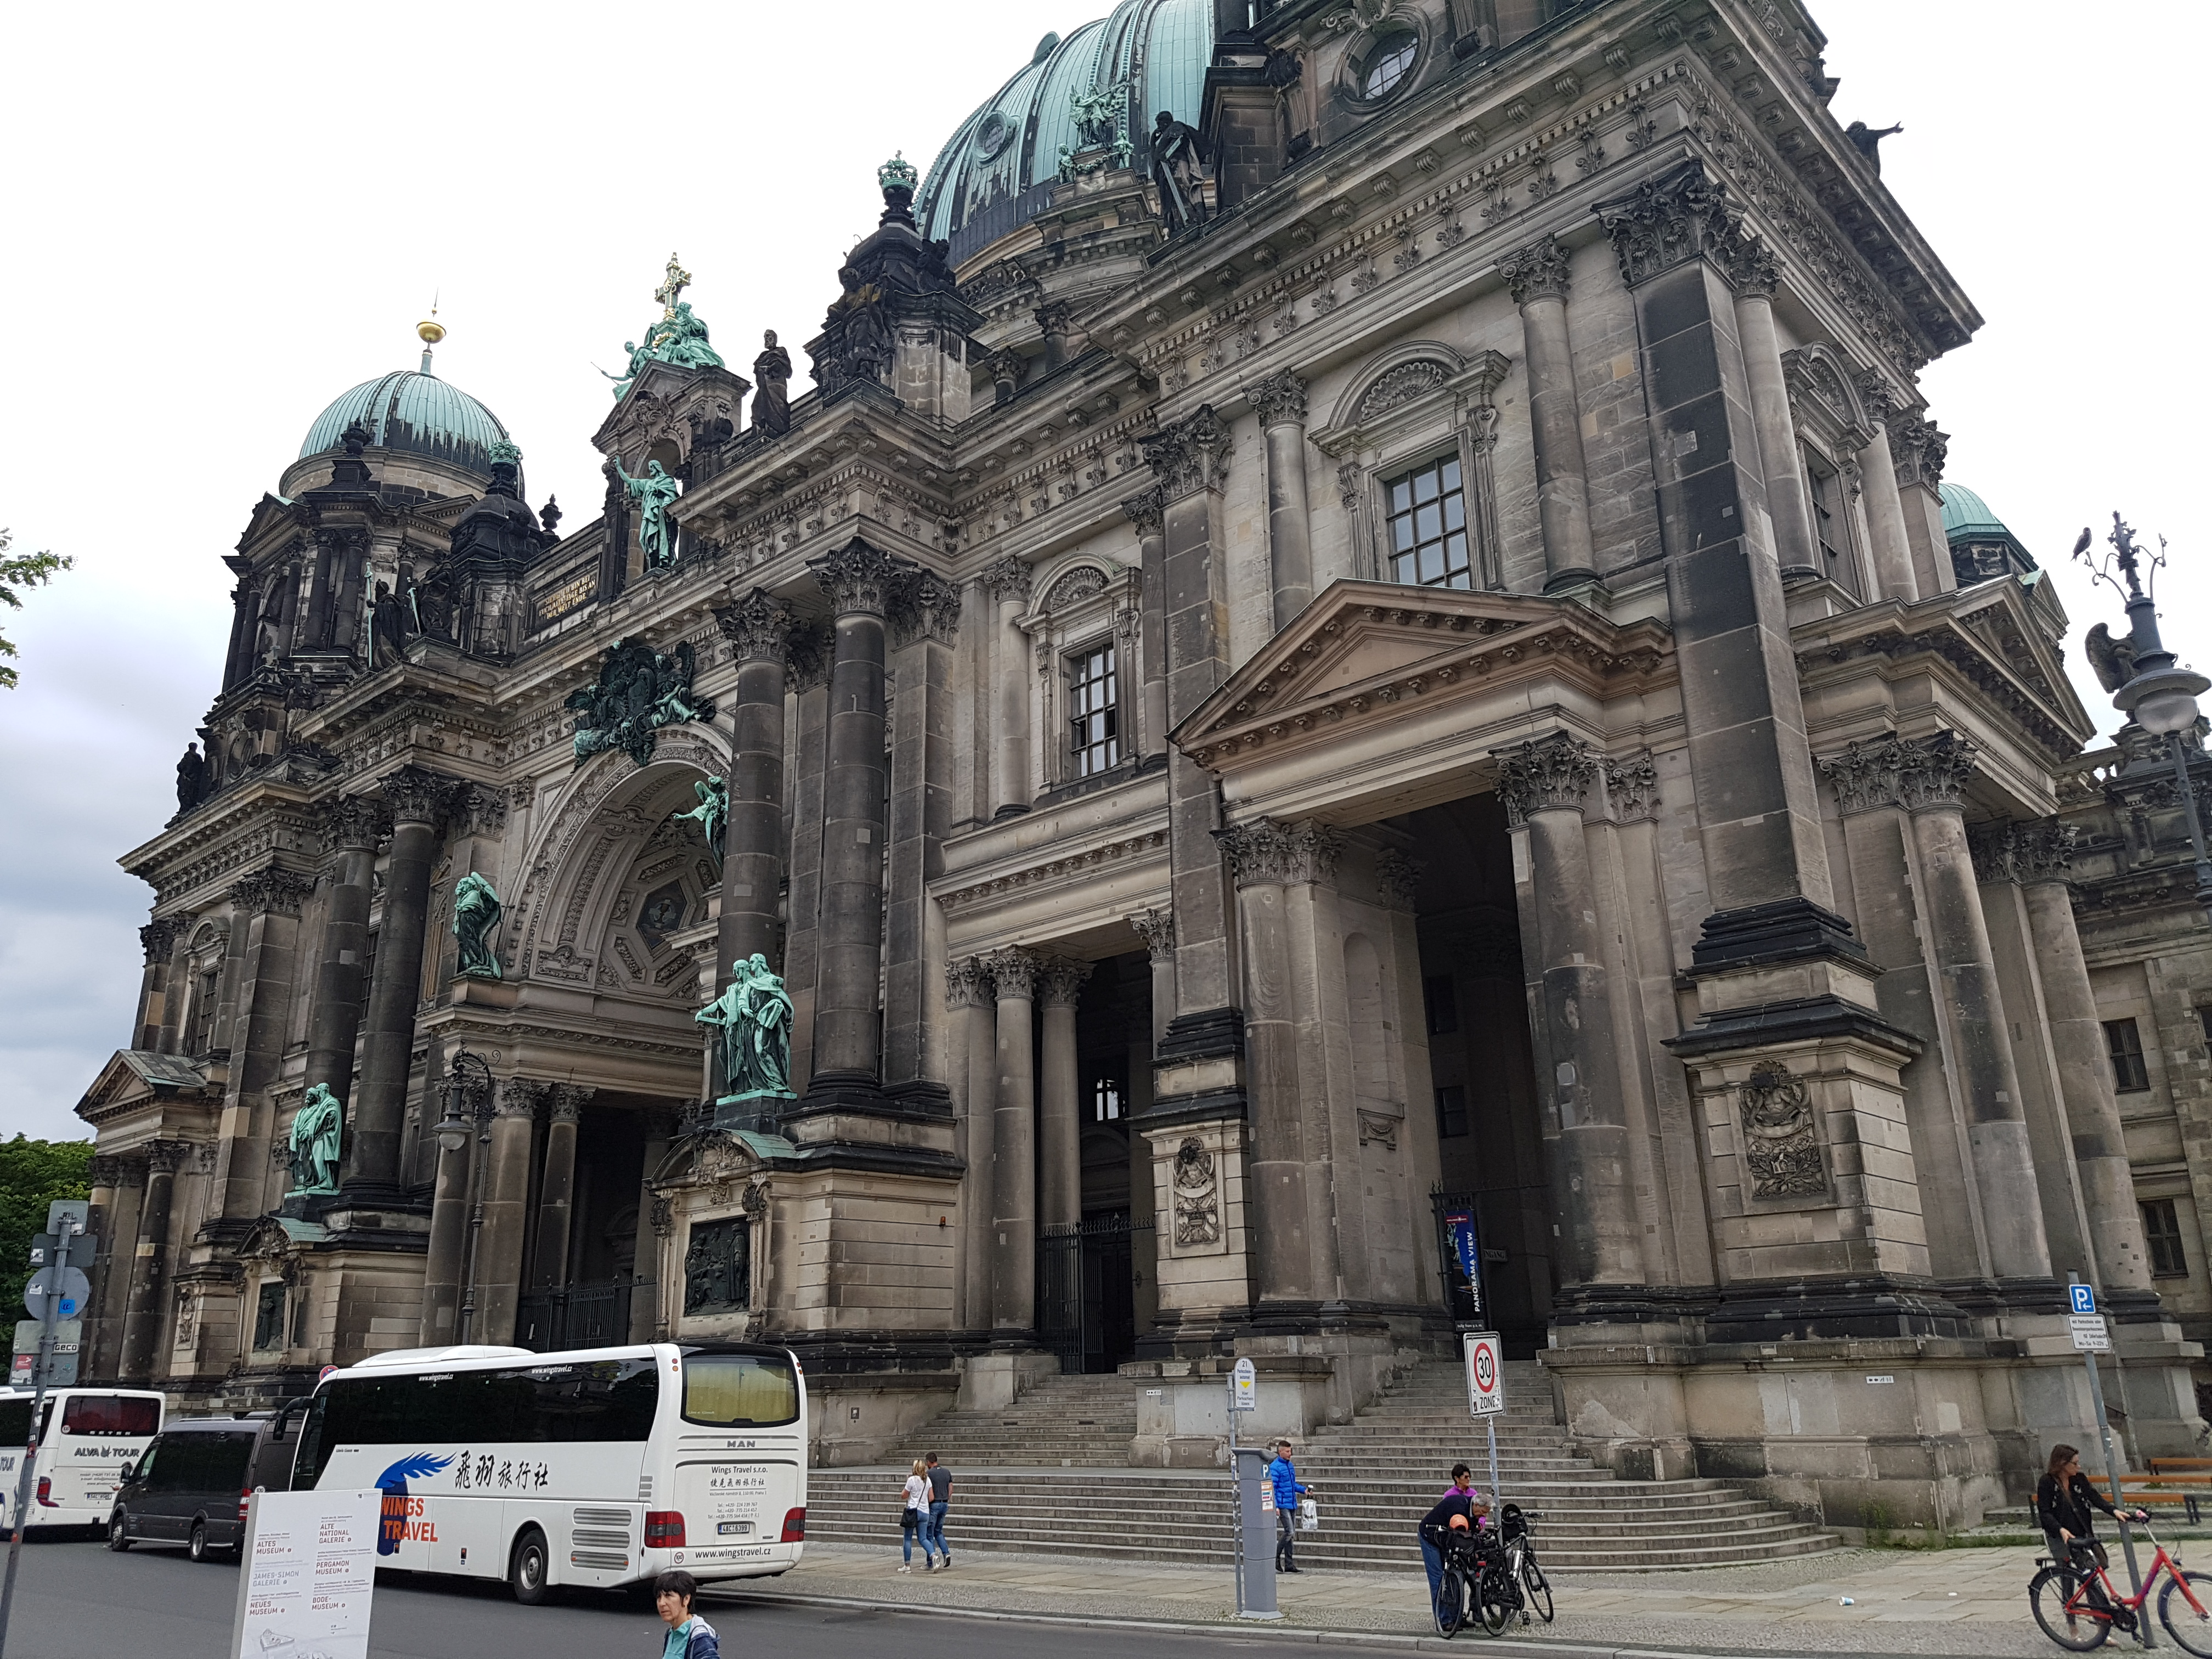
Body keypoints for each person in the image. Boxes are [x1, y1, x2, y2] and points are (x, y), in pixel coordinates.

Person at [2038, 1443, 2147, 1612]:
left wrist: (2114, 1511)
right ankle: (2071, 1620)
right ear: (2062, 1463)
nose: (2079, 1467)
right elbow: (2044, 1512)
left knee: (2090, 1576)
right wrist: (2060, 1529)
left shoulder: (2079, 1479)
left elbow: (2095, 1498)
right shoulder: (2047, 1482)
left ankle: (2101, 1618)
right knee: (2066, 1577)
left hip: (2082, 1533)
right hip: (2060, 1536)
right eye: (2075, 1463)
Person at [1418, 1464, 1490, 1622]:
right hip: (1430, 1535)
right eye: (1483, 1512)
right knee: (1438, 1578)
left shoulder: (1473, 1508)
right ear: (1476, 1505)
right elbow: (1458, 1532)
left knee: (1455, 1574)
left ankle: (1457, 1618)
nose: (1484, 1516)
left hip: (1445, 1537)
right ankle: (1444, 1620)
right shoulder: (1458, 1507)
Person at [652, 1570, 719, 1659]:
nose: (661, 1603)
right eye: (659, 1597)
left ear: (686, 1599)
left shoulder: (700, 1638)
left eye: (668, 1596)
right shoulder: (671, 1633)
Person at [1268, 1438, 1311, 1572]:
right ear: (1280, 1452)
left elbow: (1292, 1485)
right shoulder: (1275, 1467)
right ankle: (1275, 1558)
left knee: (1291, 1535)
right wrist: (1276, 1506)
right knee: (1290, 1532)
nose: (1290, 1454)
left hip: (1291, 1503)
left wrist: (1304, 1490)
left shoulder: (1290, 1466)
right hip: (1282, 1504)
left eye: (1290, 1451)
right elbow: (1272, 1488)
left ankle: (1289, 1564)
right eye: (1287, 1451)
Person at [900, 1457, 932, 1571]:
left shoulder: (911, 1480)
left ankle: (907, 1565)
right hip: (925, 1512)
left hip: (913, 1511)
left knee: (908, 1539)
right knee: (923, 1538)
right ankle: (933, 1555)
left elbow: (904, 1495)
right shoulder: (928, 1480)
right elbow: (931, 1497)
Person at [923, 1451, 952, 1570]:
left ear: (928, 1462)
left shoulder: (929, 1474)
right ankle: (946, 1553)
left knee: (929, 1533)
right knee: (938, 1531)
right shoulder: (947, 1472)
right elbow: (951, 1488)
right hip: (944, 1503)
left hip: (934, 1504)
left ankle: (931, 1562)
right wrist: (946, 1499)